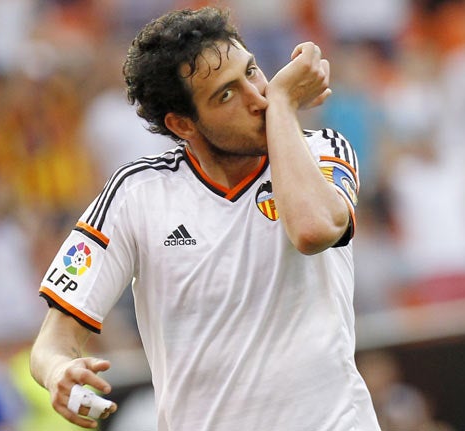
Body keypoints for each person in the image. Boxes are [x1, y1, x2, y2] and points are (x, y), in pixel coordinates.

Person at [29, 6, 380, 430]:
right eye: (226, 94)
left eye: (252, 72)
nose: (258, 98)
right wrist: (57, 372)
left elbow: (314, 231)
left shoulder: (322, 149)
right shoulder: (137, 194)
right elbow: (53, 342)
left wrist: (284, 106)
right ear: (183, 124)